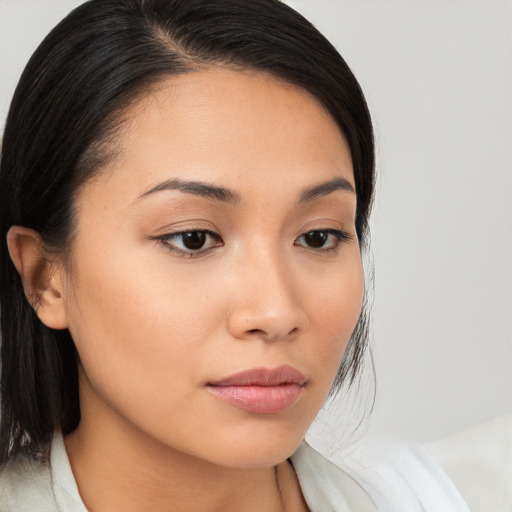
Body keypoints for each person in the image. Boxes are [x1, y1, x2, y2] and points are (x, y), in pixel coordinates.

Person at [0, 0, 470, 510]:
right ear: (45, 276)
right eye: (193, 238)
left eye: (318, 237)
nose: (276, 313)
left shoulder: (438, 496)